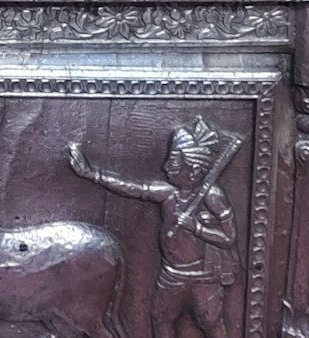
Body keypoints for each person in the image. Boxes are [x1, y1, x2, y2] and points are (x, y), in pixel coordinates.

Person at [69, 120, 240, 338]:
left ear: (194, 170)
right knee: (161, 320)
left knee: (212, 324)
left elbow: (229, 237)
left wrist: (195, 227)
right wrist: (92, 174)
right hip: (171, 275)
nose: (166, 167)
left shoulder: (212, 196)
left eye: (174, 163)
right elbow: (133, 188)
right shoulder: (168, 194)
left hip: (203, 277)